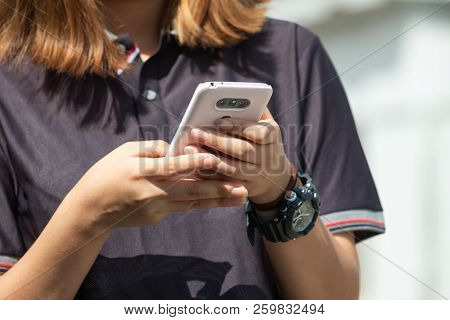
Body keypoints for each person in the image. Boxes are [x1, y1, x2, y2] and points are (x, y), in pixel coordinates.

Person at [0, 0, 385, 299]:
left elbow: (335, 303)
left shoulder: (290, 54)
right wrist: (88, 219)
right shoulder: (7, 83)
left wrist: (277, 190)